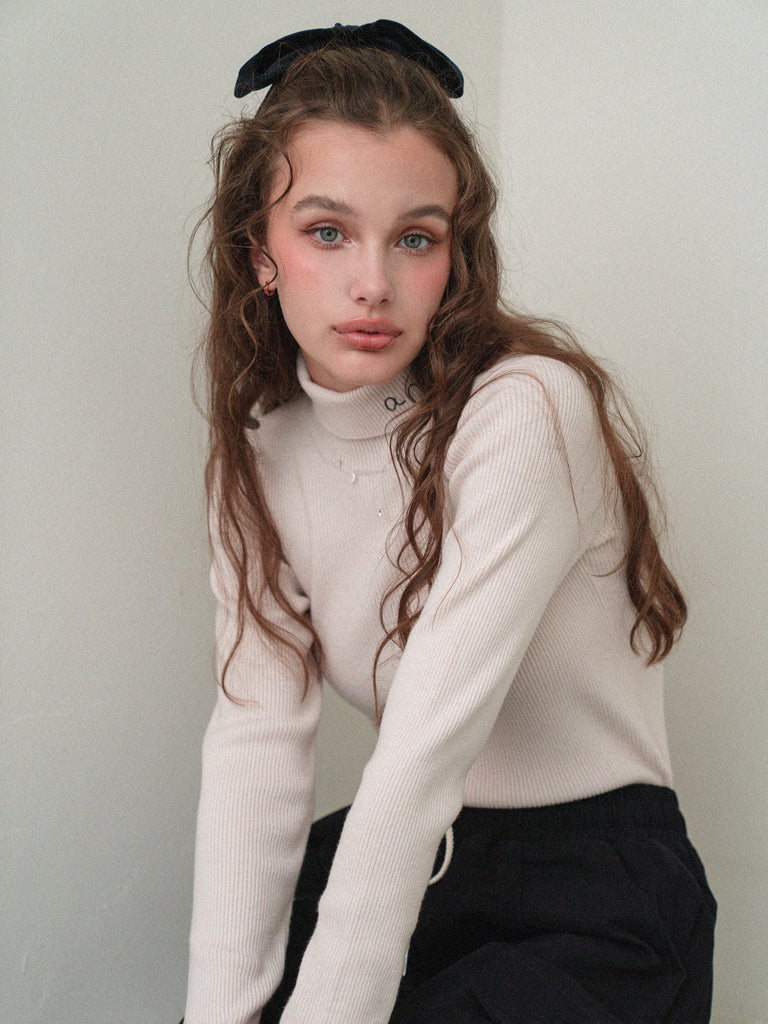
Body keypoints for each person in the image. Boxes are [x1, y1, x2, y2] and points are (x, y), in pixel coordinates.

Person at [183, 20, 716, 1024]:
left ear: (455, 256)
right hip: (412, 867)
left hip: (593, 894)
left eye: (415, 238)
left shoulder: (525, 410)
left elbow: (424, 751)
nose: (373, 283)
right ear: (260, 253)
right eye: (327, 231)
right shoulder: (258, 450)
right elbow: (256, 740)